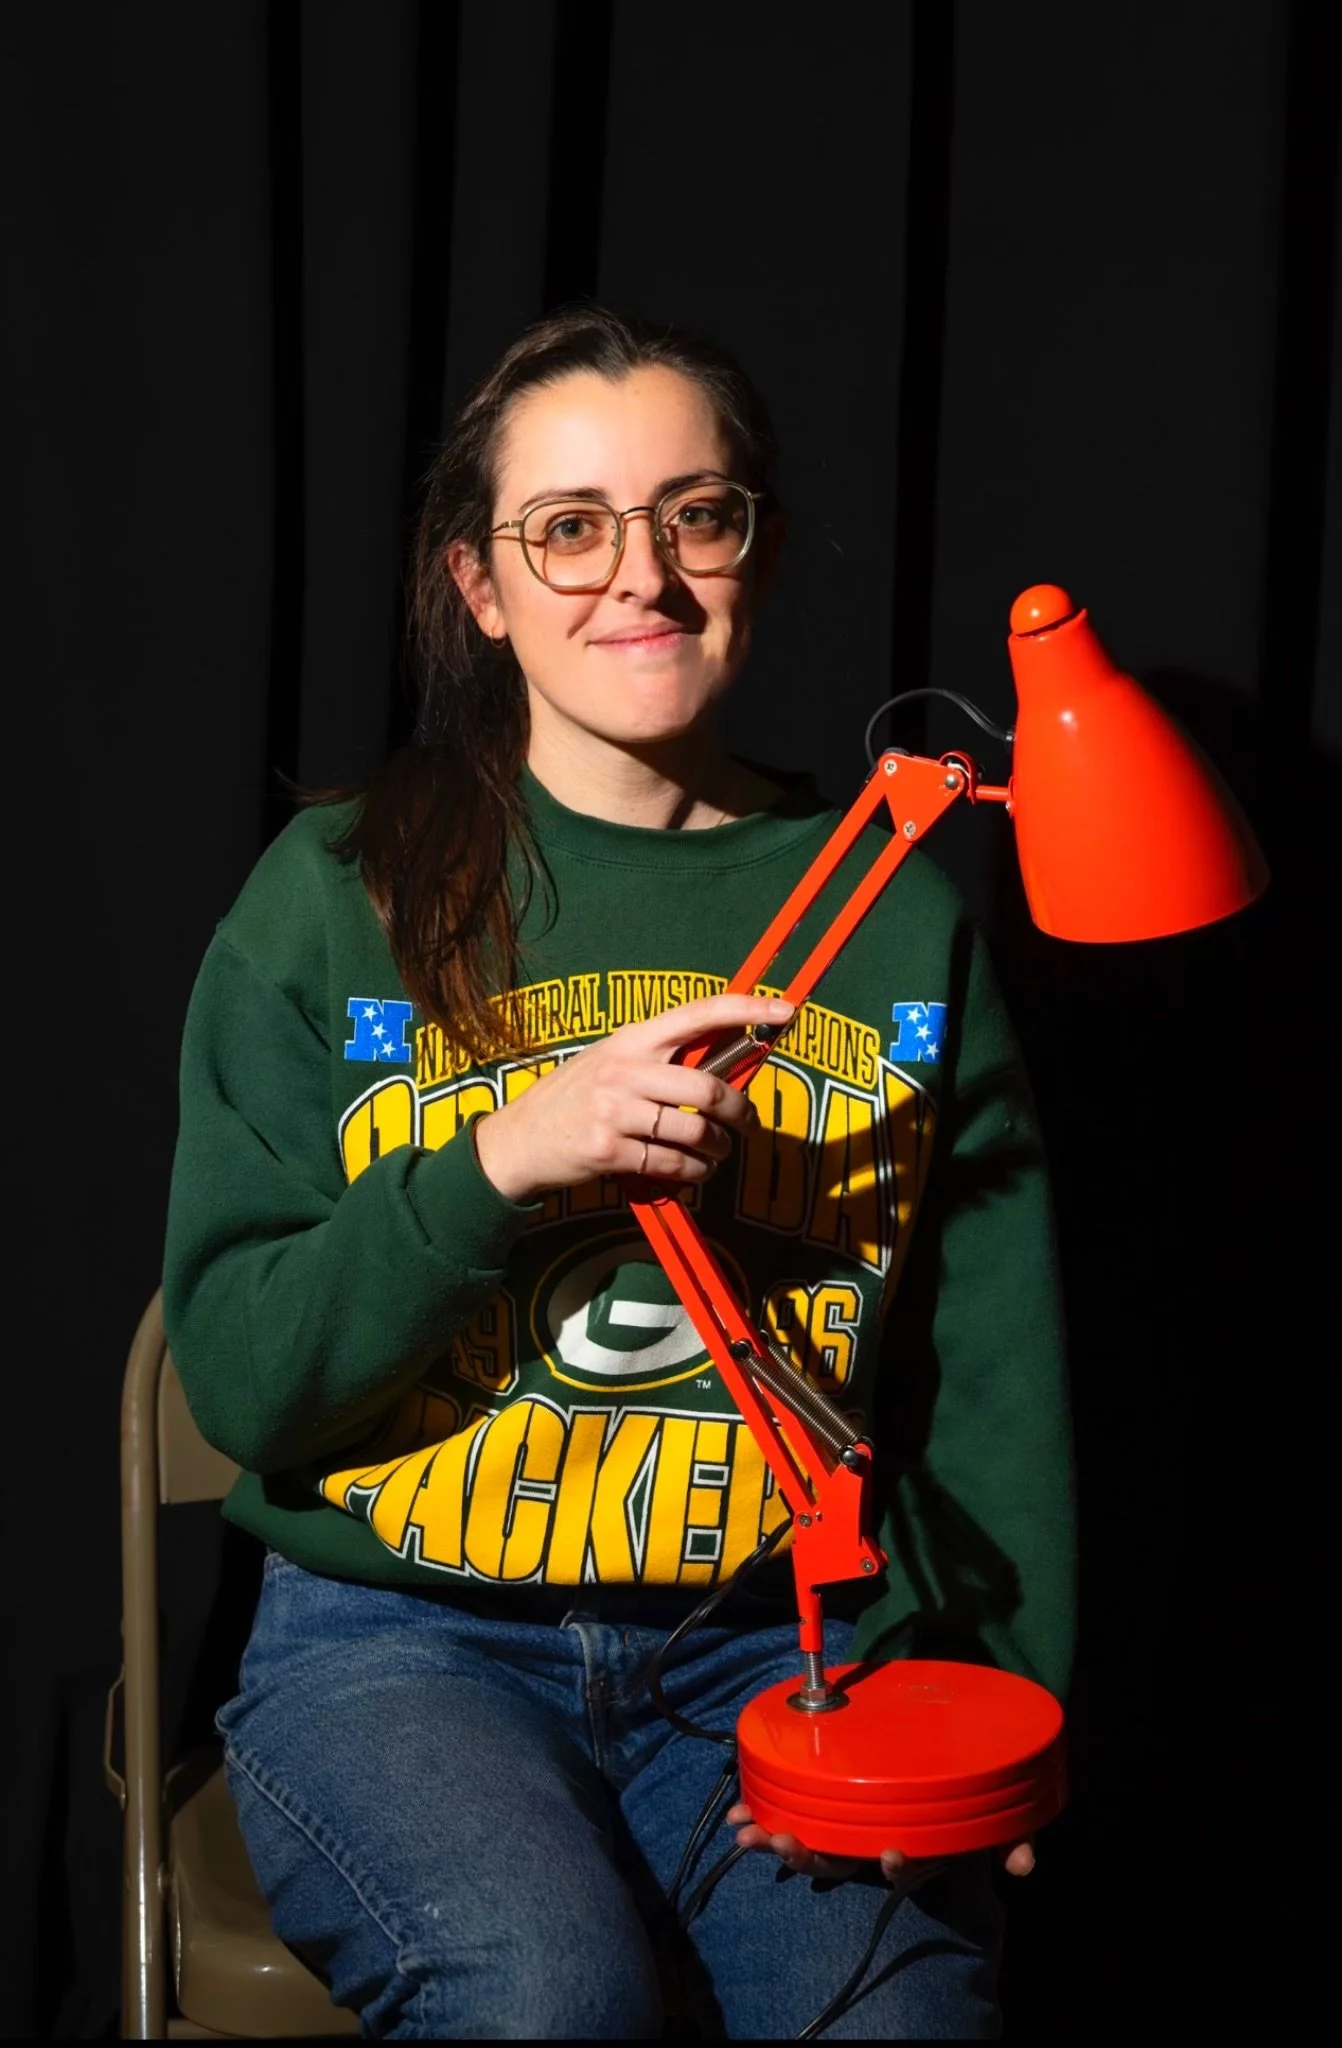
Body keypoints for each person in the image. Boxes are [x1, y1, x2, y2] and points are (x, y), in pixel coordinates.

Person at [163, 304, 1074, 2040]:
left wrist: (983, 1706)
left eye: (694, 513)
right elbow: (246, 1375)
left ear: (759, 551)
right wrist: (499, 1157)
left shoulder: (894, 903)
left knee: (885, 2012)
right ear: (479, 588)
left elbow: (994, 1372)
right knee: (542, 1993)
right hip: (400, 1645)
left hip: (774, 1652)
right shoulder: (332, 891)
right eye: (568, 527)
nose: (638, 575)